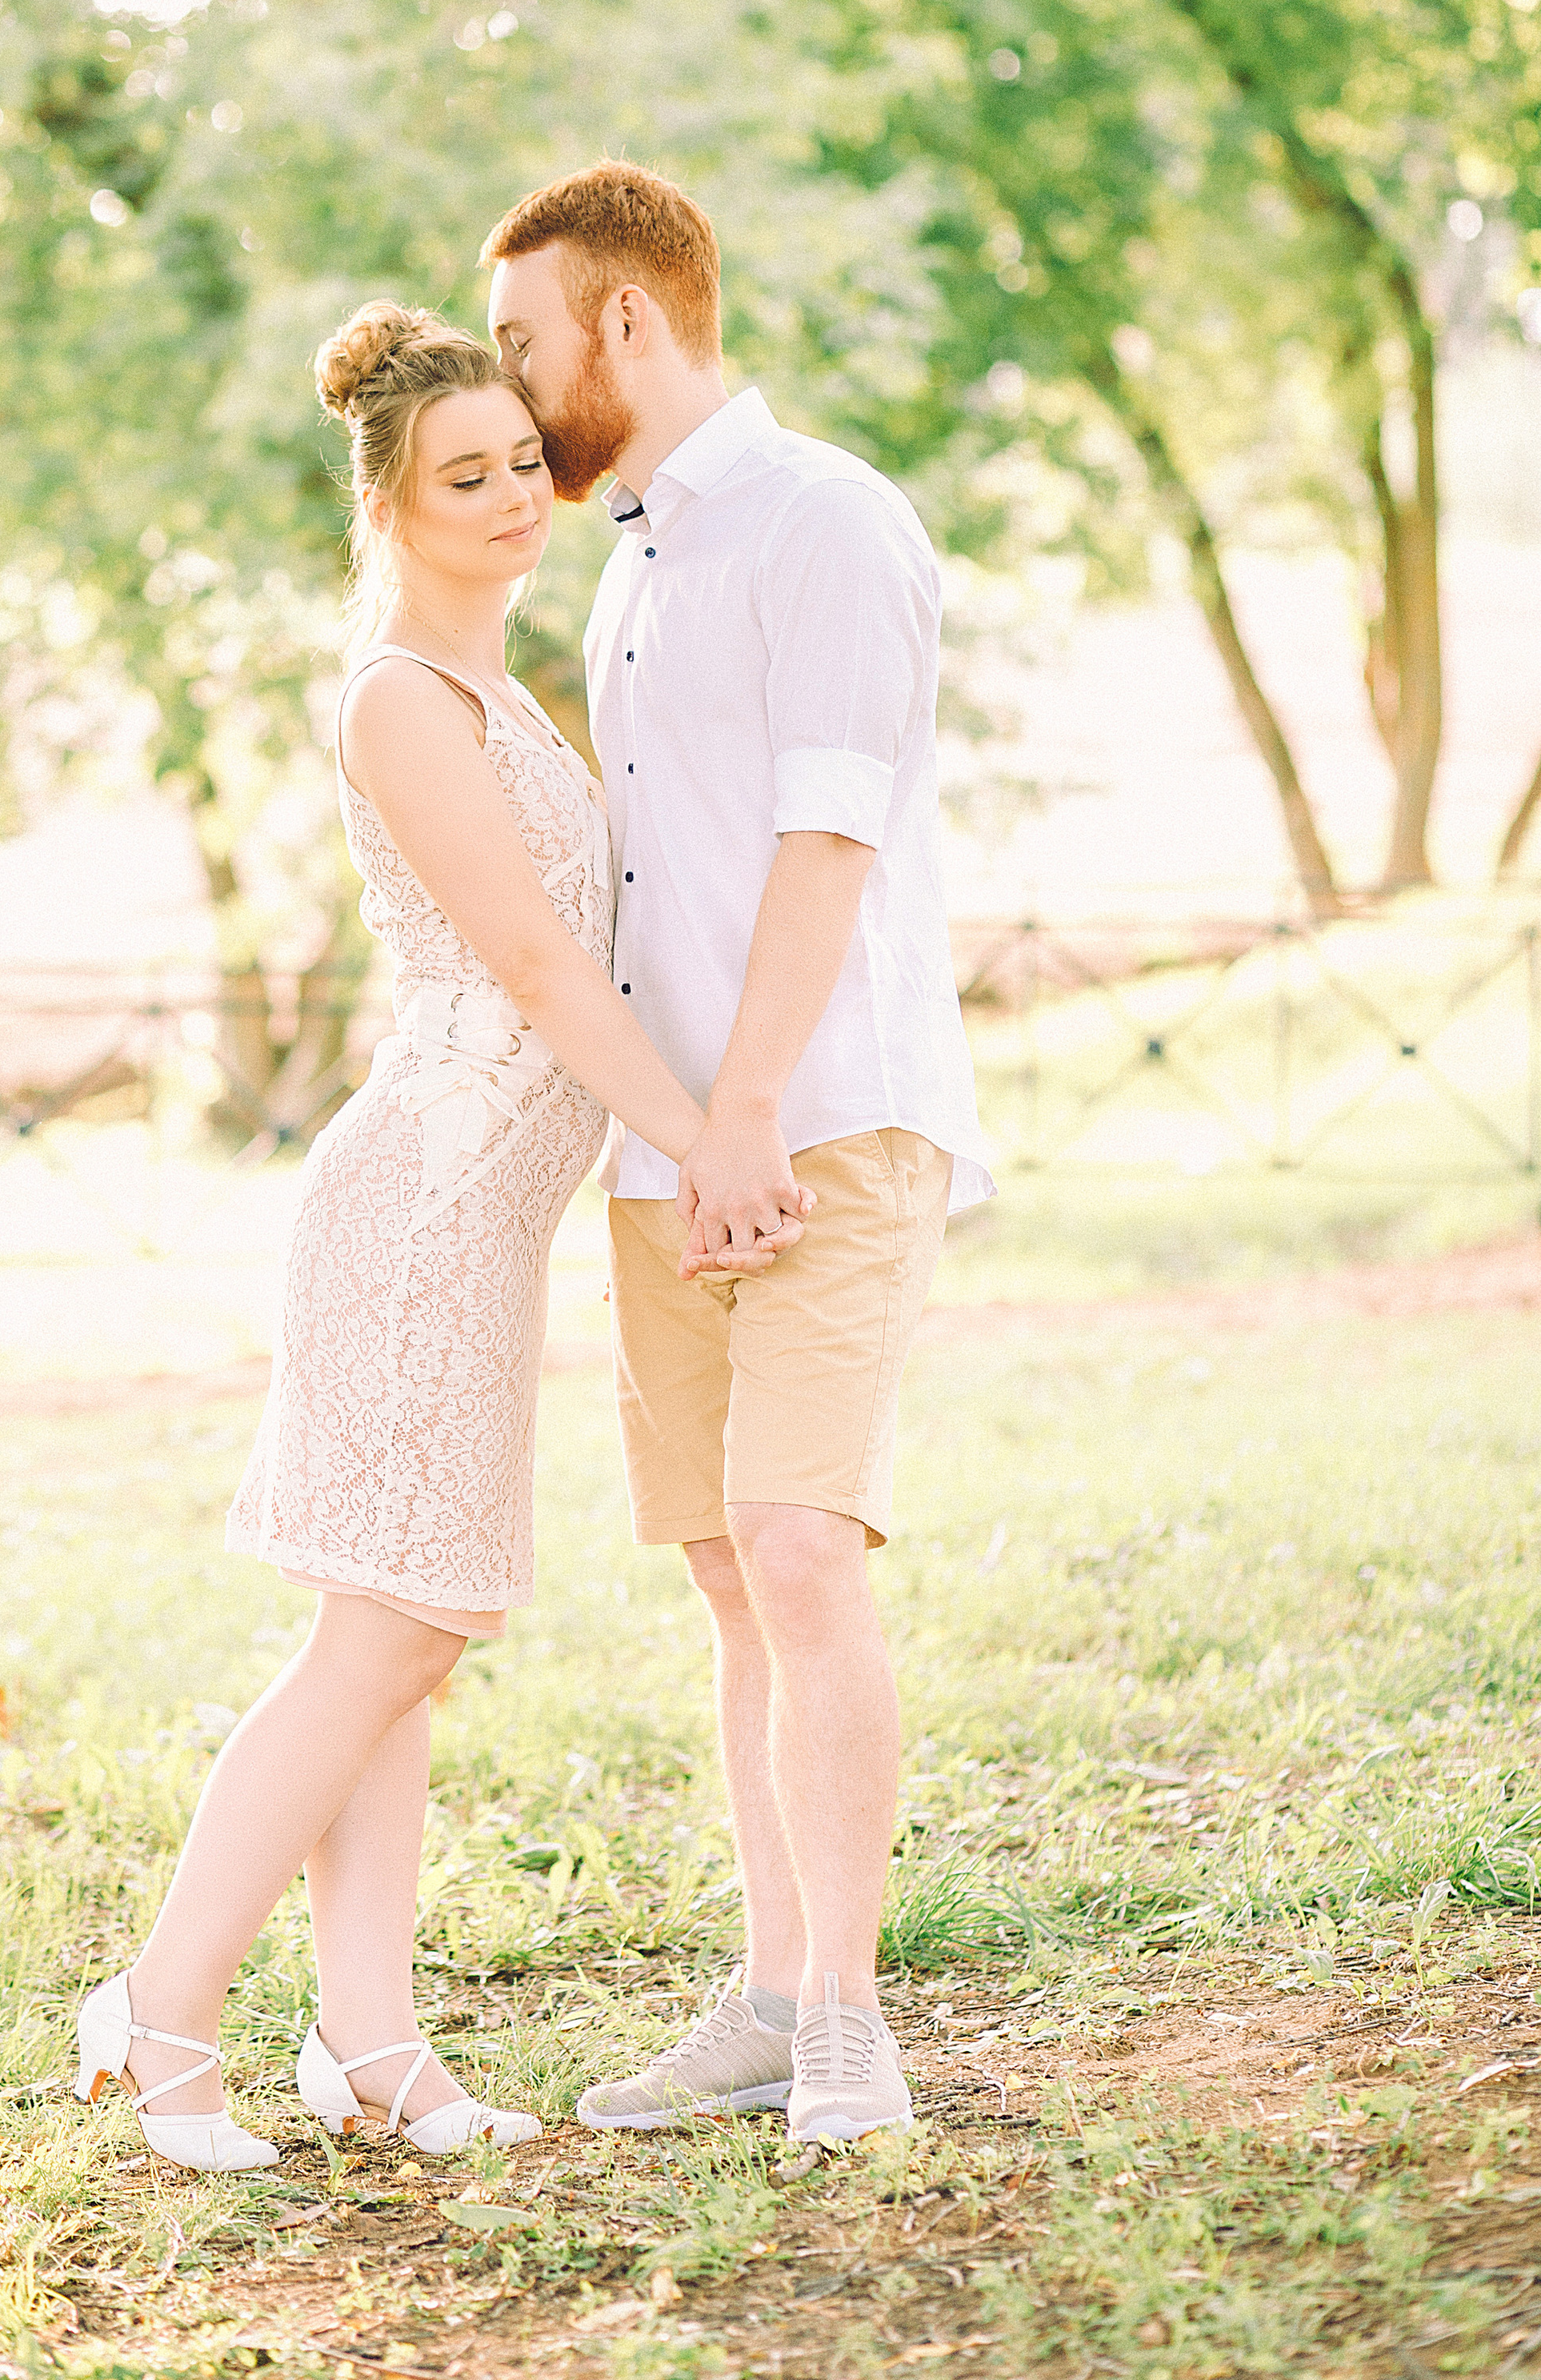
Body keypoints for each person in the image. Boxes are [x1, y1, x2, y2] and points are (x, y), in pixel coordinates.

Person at [73, 300, 801, 2170]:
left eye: (520, 466)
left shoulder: (492, 691)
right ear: (386, 504)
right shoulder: (399, 696)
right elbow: (544, 966)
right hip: (412, 1220)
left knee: (403, 1639)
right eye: (459, 476)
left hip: (482, 1239)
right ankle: (157, 2012)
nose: (508, 499)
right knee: (387, 1634)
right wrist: (706, 1145)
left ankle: (369, 2039)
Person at [482, 162, 993, 2150]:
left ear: (627, 319)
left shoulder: (826, 521)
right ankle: (773, 1994)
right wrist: (672, 1128)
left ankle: (853, 2021)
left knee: (799, 1549)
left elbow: (829, 836)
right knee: (721, 1576)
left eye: (525, 343)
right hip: (670, 1153)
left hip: (822, 1123)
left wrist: (751, 1112)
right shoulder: (633, 562)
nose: (513, 393)